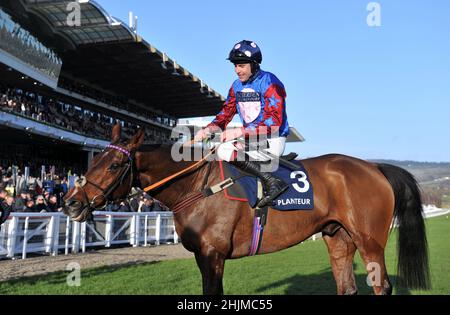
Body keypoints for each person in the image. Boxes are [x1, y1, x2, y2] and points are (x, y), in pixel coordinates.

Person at [194, 40, 290, 208]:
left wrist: (238, 132)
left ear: (254, 64)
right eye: (235, 66)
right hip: (252, 140)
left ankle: (273, 182)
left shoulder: (271, 82)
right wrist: (209, 129)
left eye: (242, 65)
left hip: (272, 139)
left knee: (224, 149)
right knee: (214, 147)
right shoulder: (236, 86)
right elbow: (226, 112)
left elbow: (273, 122)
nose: (237, 70)